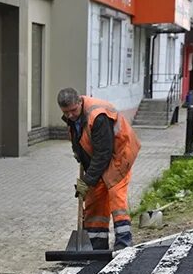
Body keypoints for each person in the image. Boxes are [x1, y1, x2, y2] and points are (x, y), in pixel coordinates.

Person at [57, 87, 141, 250]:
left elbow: (103, 152)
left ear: (80, 102)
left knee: (116, 195)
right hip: (100, 158)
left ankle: (124, 243)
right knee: (94, 199)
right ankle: (97, 244)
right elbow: (83, 146)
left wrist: (87, 181)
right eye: (66, 112)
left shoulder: (98, 116)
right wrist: (88, 180)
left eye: (73, 111)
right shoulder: (73, 118)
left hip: (119, 155)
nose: (70, 115)